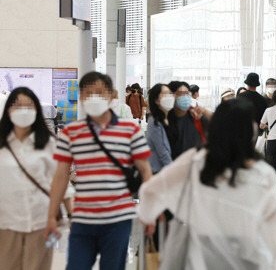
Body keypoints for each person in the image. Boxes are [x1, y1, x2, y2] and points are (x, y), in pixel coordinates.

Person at [137, 99, 276, 269]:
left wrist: (148, 217)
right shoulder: (263, 174)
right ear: (248, 131)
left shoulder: (195, 161)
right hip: (250, 257)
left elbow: (150, 190)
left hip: (200, 258)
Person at [45, 72, 153, 270]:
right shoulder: (71, 133)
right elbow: (60, 176)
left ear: (111, 96)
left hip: (118, 219)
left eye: (99, 93)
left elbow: (145, 171)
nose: (93, 97)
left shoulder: (130, 130)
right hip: (82, 219)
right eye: (88, 93)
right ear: (82, 98)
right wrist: (52, 215)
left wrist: (150, 211)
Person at [0, 88, 57, 270]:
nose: (23, 110)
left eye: (28, 106)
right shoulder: (1, 143)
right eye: (18, 106)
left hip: (40, 222)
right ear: (8, 110)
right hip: (6, 223)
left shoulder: (48, 143)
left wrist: (66, 215)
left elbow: (59, 181)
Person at [168, 81, 209, 159]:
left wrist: (203, 110)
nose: (185, 97)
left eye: (187, 94)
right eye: (181, 94)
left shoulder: (196, 116)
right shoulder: (166, 119)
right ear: (172, 96)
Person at [147, 84, 175, 174]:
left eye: (170, 93)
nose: (169, 96)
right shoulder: (154, 122)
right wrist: (172, 171)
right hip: (159, 171)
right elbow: (162, 152)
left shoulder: (170, 119)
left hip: (167, 168)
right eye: (165, 93)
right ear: (156, 100)